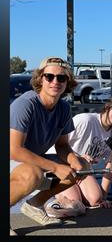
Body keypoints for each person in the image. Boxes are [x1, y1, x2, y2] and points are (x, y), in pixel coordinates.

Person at [10, 57, 90, 235]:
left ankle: (35, 204)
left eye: (61, 78)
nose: (55, 81)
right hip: (12, 158)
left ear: (67, 82)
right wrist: (55, 167)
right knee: (33, 174)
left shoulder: (63, 108)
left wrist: (73, 159)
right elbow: (14, 150)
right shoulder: (25, 104)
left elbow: (62, 145)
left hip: (30, 159)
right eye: (49, 76)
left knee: (81, 166)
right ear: (40, 79)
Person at [53, 93, 112, 209]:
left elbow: (111, 165)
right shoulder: (85, 120)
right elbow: (58, 144)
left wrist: (103, 197)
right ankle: (55, 189)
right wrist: (77, 158)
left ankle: (77, 192)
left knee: (96, 200)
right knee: (74, 203)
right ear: (108, 107)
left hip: (83, 171)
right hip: (64, 166)